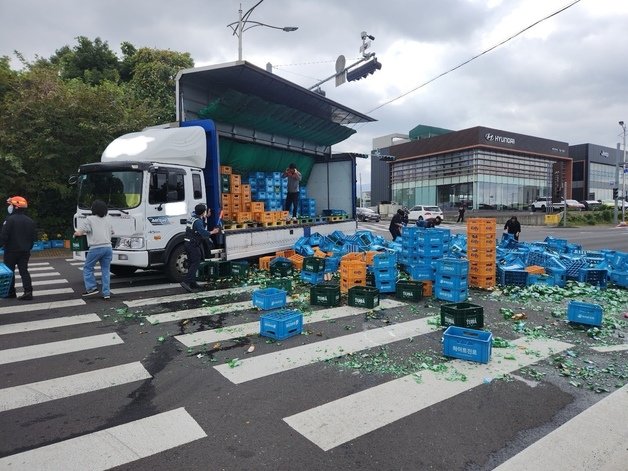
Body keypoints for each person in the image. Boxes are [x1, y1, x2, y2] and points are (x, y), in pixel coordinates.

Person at [75, 200, 114, 299]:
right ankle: (106, 293)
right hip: (108, 248)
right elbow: (113, 232)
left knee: (88, 268)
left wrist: (76, 234)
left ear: (93, 209)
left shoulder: (90, 219)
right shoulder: (108, 219)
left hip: (96, 248)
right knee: (105, 270)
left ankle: (91, 288)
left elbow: (80, 232)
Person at [0, 196, 37, 300]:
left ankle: (11, 292)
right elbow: (33, 237)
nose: (9, 207)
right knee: (24, 271)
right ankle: (28, 291)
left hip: (11, 251)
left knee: (10, 272)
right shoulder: (30, 221)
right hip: (25, 251)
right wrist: (28, 247)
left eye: (11, 205)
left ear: (16, 207)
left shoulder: (9, 220)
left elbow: (4, 236)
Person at [181, 203, 219, 293]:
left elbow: (198, 226)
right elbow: (202, 232)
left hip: (188, 243)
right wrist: (213, 232)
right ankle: (186, 281)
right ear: (202, 212)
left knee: (191, 263)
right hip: (193, 245)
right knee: (196, 262)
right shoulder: (198, 221)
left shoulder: (193, 218)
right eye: (205, 211)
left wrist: (206, 217)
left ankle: (192, 283)